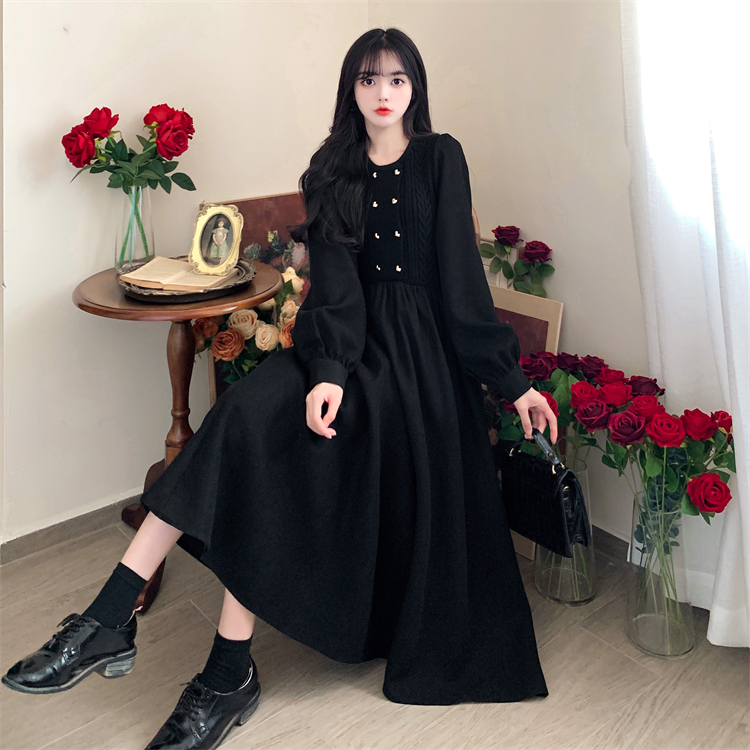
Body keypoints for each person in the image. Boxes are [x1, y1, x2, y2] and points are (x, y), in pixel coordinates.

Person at [3, 27, 558, 750]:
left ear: (415, 87)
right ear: (350, 88)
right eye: (368, 79)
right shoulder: (330, 169)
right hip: (349, 344)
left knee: (291, 447)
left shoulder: (440, 157)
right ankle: (111, 614)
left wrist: (512, 383)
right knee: (243, 413)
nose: (383, 93)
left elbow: (461, 281)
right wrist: (329, 374)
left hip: (421, 365)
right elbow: (337, 289)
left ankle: (217, 666)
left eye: (396, 79)